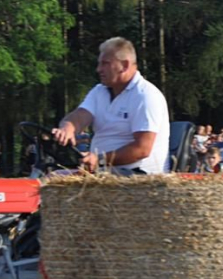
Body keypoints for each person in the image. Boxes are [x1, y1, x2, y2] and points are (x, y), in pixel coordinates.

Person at [52, 37, 169, 175]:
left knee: (54, 180)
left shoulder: (145, 95)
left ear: (124, 65)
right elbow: (81, 115)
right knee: (52, 177)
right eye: (99, 64)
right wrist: (68, 127)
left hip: (137, 175)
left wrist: (100, 159)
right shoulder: (99, 91)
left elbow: (142, 149)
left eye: (105, 64)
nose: (98, 69)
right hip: (106, 171)